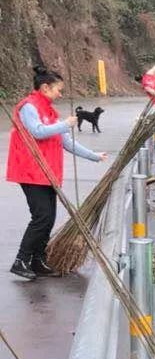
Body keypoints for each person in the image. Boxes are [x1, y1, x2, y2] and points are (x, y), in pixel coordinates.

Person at [6, 68, 108, 279]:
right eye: (58, 90)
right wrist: (65, 124)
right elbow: (37, 131)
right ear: (45, 87)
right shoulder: (29, 107)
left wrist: (94, 156)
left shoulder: (50, 111)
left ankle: (38, 260)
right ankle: (21, 259)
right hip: (31, 171)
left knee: (48, 217)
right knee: (41, 217)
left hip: (47, 173)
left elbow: (66, 142)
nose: (61, 94)